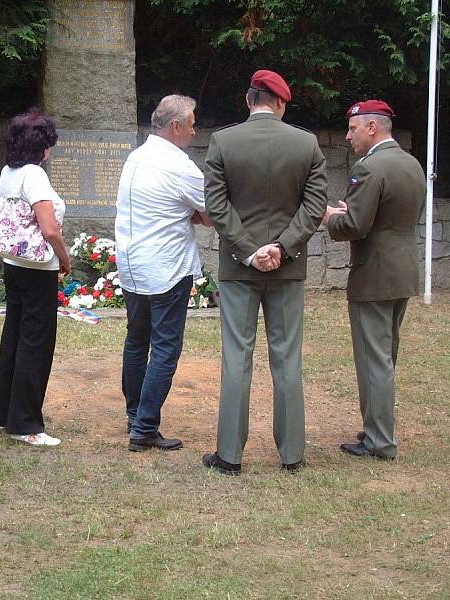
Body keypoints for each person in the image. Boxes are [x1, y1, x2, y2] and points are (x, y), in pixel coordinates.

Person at [201, 70, 328, 475]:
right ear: (281, 103)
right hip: (287, 268)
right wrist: (282, 247)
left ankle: (230, 456)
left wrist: (250, 251)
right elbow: (314, 207)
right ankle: (292, 454)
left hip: (239, 269)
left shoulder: (223, 141)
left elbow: (217, 207)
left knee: (237, 358)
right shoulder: (306, 144)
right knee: (287, 358)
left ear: (248, 99)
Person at [322, 99, 426, 460]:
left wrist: (329, 217)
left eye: (352, 128)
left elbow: (354, 226)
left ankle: (379, 440)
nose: (348, 135)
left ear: (372, 127)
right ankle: (377, 426)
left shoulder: (369, 169)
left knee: (374, 359)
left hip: (374, 274)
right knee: (386, 355)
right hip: (403, 270)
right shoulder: (411, 164)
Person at [115, 94, 213, 452]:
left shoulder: (135, 157)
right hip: (166, 269)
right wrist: (190, 215)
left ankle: (134, 412)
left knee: (137, 340)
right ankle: (144, 427)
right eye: (191, 123)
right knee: (166, 349)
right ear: (176, 126)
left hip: (132, 265)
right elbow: (212, 213)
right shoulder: (181, 166)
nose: (194, 129)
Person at [0, 109, 72, 447]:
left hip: (13, 262)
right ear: (42, 147)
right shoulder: (35, 176)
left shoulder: (8, 172)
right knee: (36, 343)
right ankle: (26, 424)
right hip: (38, 267)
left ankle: (4, 412)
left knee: (14, 334)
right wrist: (65, 259)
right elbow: (49, 227)